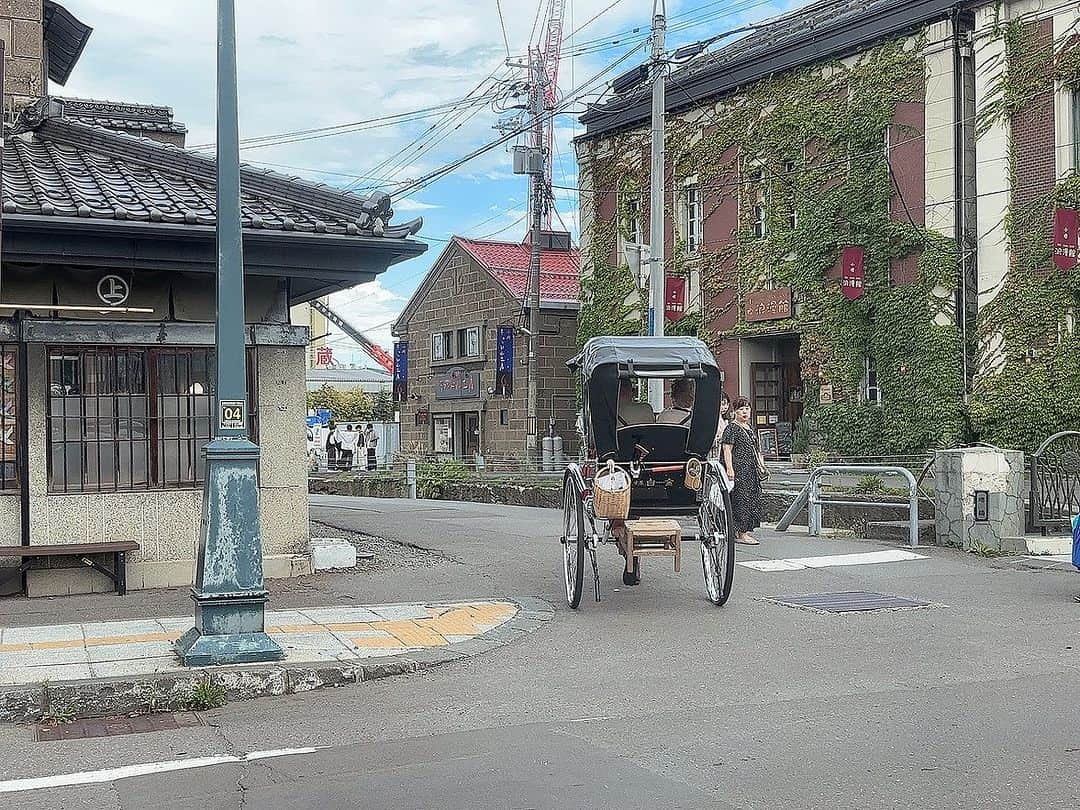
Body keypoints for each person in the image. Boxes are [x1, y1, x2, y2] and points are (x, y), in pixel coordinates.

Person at [722, 396, 767, 545]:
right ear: (735, 411)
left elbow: (757, 449)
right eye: (741, 409)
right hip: (739, 468)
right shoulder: (732, 428)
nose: (745, 412)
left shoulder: (750, 428)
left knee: (752, 498)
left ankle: (745, 530)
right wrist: (730, 468)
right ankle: (741, 532)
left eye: (747, 408)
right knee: (741, 499)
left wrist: (762, 464)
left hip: (751, 468)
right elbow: (727, 449)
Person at [711, 392, 732, 458]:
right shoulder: (712, 419)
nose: (725, 407)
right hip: (715, 451)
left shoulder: (725, 420)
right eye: (723, 404)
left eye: (727, 404)